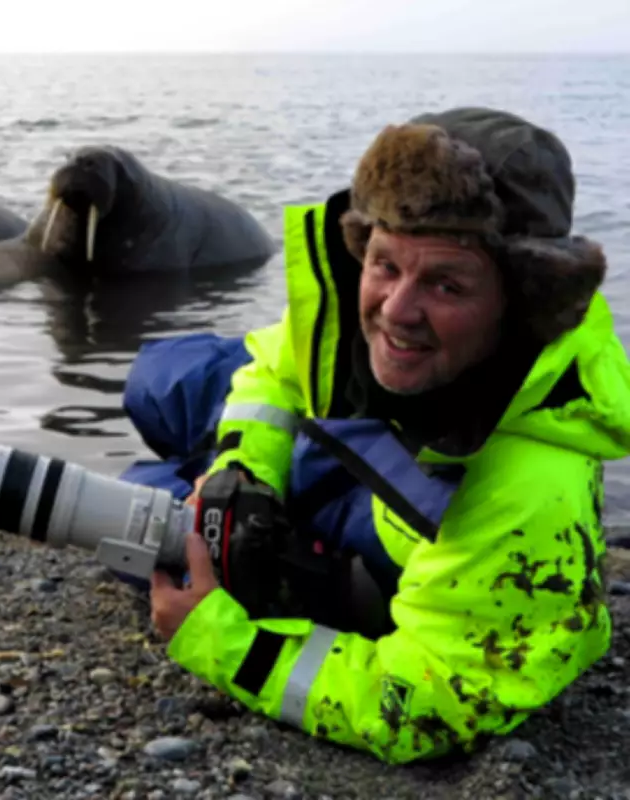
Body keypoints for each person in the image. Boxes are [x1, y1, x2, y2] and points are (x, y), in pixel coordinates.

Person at [143, 107, 630, 764]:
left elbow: (412, 710)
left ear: (522, 302)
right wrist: (241, 471)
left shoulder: (531, 493)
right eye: (385, 264)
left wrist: (216, 638)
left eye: (446, 283)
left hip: (426, 525)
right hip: (371, 454)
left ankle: (332, 574)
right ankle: (241, 488)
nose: (396, 312)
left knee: (143, 508)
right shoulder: (365, 306)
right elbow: (277, 368)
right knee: (157, 377)